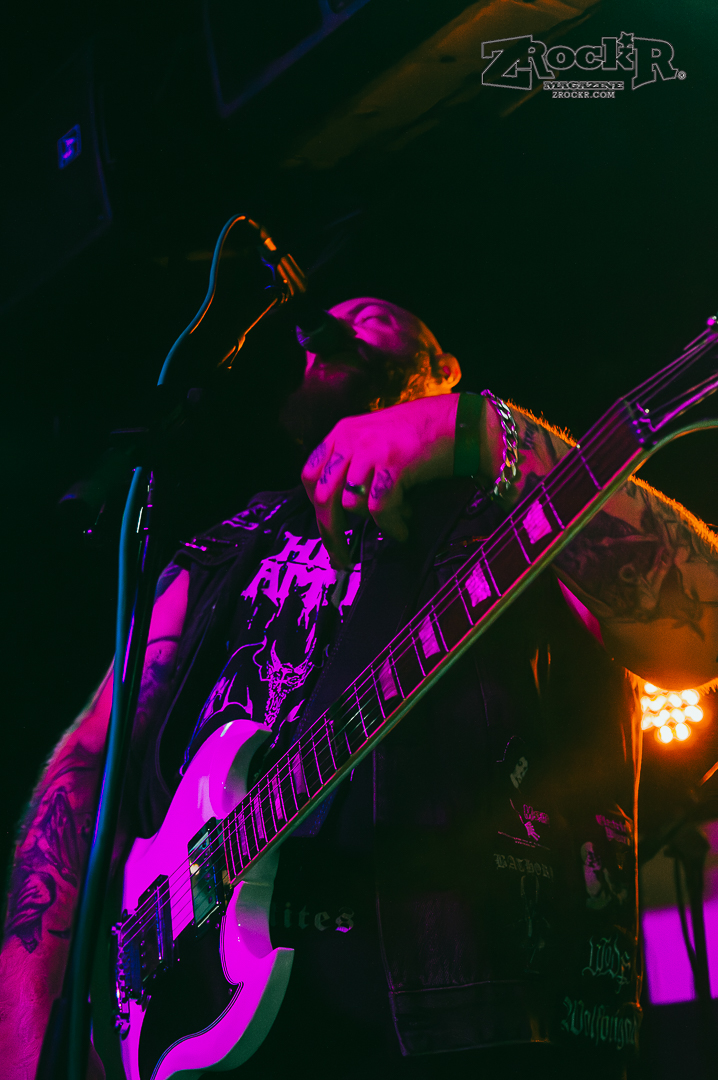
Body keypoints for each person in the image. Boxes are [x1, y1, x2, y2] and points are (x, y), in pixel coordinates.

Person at [2, 298, 717, 1080]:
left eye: (372, 315)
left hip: (470, 1034)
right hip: (191, 1035)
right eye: (322, 328)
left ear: (442, 371)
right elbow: (85, 766)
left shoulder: (511, 510)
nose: (334, 331)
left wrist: (478, 431)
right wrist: (26, 1032)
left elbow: (703, 622)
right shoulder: (218, 554)